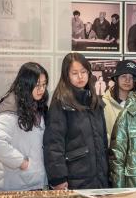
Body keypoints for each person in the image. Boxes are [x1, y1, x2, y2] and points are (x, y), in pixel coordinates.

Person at [44, 53, 109, 190]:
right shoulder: (60, 102)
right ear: (66, 75)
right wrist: (58, 178)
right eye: (74, 73)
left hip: (99, 178)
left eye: (83, 72)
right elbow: (54, 144)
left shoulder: (95, 101)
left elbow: (102, 141)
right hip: (74, 179)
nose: (80, 77)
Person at [0, 63, 50, 192]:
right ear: (26, 83)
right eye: (37, 85)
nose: (41, 89)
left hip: (33, 184)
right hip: (13, 187)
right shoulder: (11, 110)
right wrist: (21, 162)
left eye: (44, 85)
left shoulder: (36, 106)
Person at [101, 59, 136, 139]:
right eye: (124, 76)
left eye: (131, 77)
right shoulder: (103, 103)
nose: (127, 80)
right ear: (116, 78)